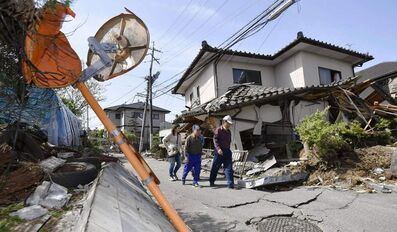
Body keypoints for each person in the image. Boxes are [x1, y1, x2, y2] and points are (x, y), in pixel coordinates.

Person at [210, 115, 234, 189]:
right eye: (228, 123)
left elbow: (229, 141)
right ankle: (212, 181)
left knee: (229, 168)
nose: (229, 125)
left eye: (230, 124)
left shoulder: (229, 131)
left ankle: (230, 184)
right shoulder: (218, 130)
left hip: (227, 151)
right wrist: (218, 149)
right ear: (224, 122)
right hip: (219, 151)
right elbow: (215, 140)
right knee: (215, 167)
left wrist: (228, 150)